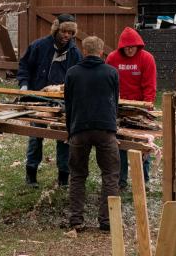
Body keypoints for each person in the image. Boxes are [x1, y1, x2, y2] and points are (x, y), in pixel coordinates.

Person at [63, 35, 121, 232]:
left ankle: (76, 220)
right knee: (110, 175)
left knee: (78, 175)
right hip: (105, 129)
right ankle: (107, 221)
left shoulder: (72, 73)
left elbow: (68, 105)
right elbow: (115, 102)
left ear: (83, 51)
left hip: (79, 129)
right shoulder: (111, 72)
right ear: (102, 51)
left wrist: (69, 130)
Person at [17, 14, 82, 188]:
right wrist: (24, 85)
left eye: (70, 32)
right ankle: (31, 173)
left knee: (63, 137)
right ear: (56, 29)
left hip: (62, 102)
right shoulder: (39, 46)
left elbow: (79, 75)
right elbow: (24, 66)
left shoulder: (74, 53)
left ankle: (63, 177)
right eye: (63, 31)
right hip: (38, 98)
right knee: (36, 136)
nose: (66, 35)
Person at [105, 27, 157, 190]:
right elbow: (107, 82)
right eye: (126, 47)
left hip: (140, 107)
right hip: (118, 106)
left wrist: (147, 107)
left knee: (142, 143)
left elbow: (150, 85)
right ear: (121, 47)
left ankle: (143, 179)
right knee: (120, 142)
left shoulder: (146, 58)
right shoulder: (113, 58)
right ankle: (121, 181)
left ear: (138, 46)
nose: (129, 50)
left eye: (132, 47)